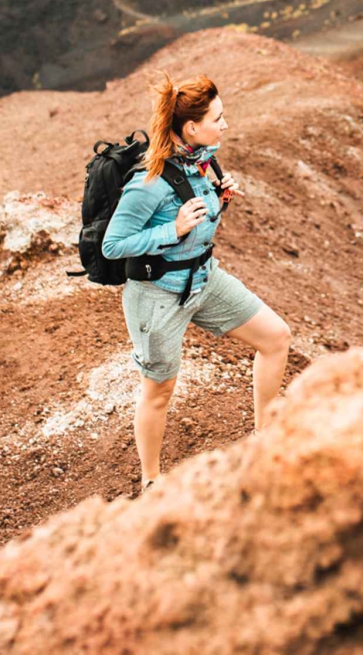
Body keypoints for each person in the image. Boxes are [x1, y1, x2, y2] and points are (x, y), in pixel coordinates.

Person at [102, 72, 291, 494]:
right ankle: (152, 481)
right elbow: (113, 245)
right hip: (157, 295)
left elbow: (197, 220)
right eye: (217, 118)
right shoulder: (147, 183)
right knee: (159, 390)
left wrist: (218, 200)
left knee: (276, 337)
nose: (225, 125)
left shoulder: (201, 161)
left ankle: (265, 439)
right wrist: (171, 229)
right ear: (191, 127)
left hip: (204, 279)